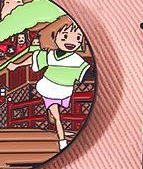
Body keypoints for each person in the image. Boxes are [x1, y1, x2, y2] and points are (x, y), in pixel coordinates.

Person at [9, 15, 90, 149]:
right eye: (64, 37)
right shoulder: (51, 55)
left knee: (54, 115)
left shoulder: (76, 59)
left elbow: (86, 72)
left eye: (77, 38)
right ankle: (62, 140)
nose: (71, 42)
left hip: (64, 90)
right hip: (49, 89)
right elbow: (34, 59)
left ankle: (52, 118)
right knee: (57, 116)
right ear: (54, 37)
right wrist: (17, 65)